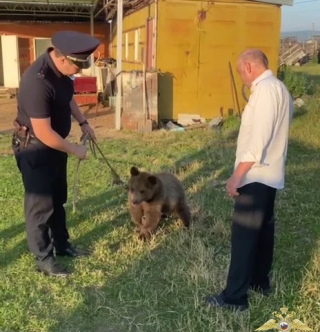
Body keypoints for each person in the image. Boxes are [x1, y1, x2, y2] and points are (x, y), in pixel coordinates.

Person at [205, 49, 294, 311]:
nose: (241, 76)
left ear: (248, 66)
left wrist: (237, 176)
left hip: (255, 175)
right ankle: (259, 282)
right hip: (271, 174)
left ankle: (235, 297)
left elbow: (259, 139)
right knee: (263, 232)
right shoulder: (281, 89)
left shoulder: (265, 90)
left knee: (244, 237)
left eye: (240, 70)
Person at [12, 30, 100, 277]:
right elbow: (42, 132)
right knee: (40, 206)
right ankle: (43, 258)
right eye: (77, 66)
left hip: (55, 146)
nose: (79, 71)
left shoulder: (63, 72)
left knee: (58, 198)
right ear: (62, 59)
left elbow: (68, 97)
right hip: (36, 149)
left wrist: (83, 123)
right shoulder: (37, 81)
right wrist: (75, 149)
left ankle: (62, 245)